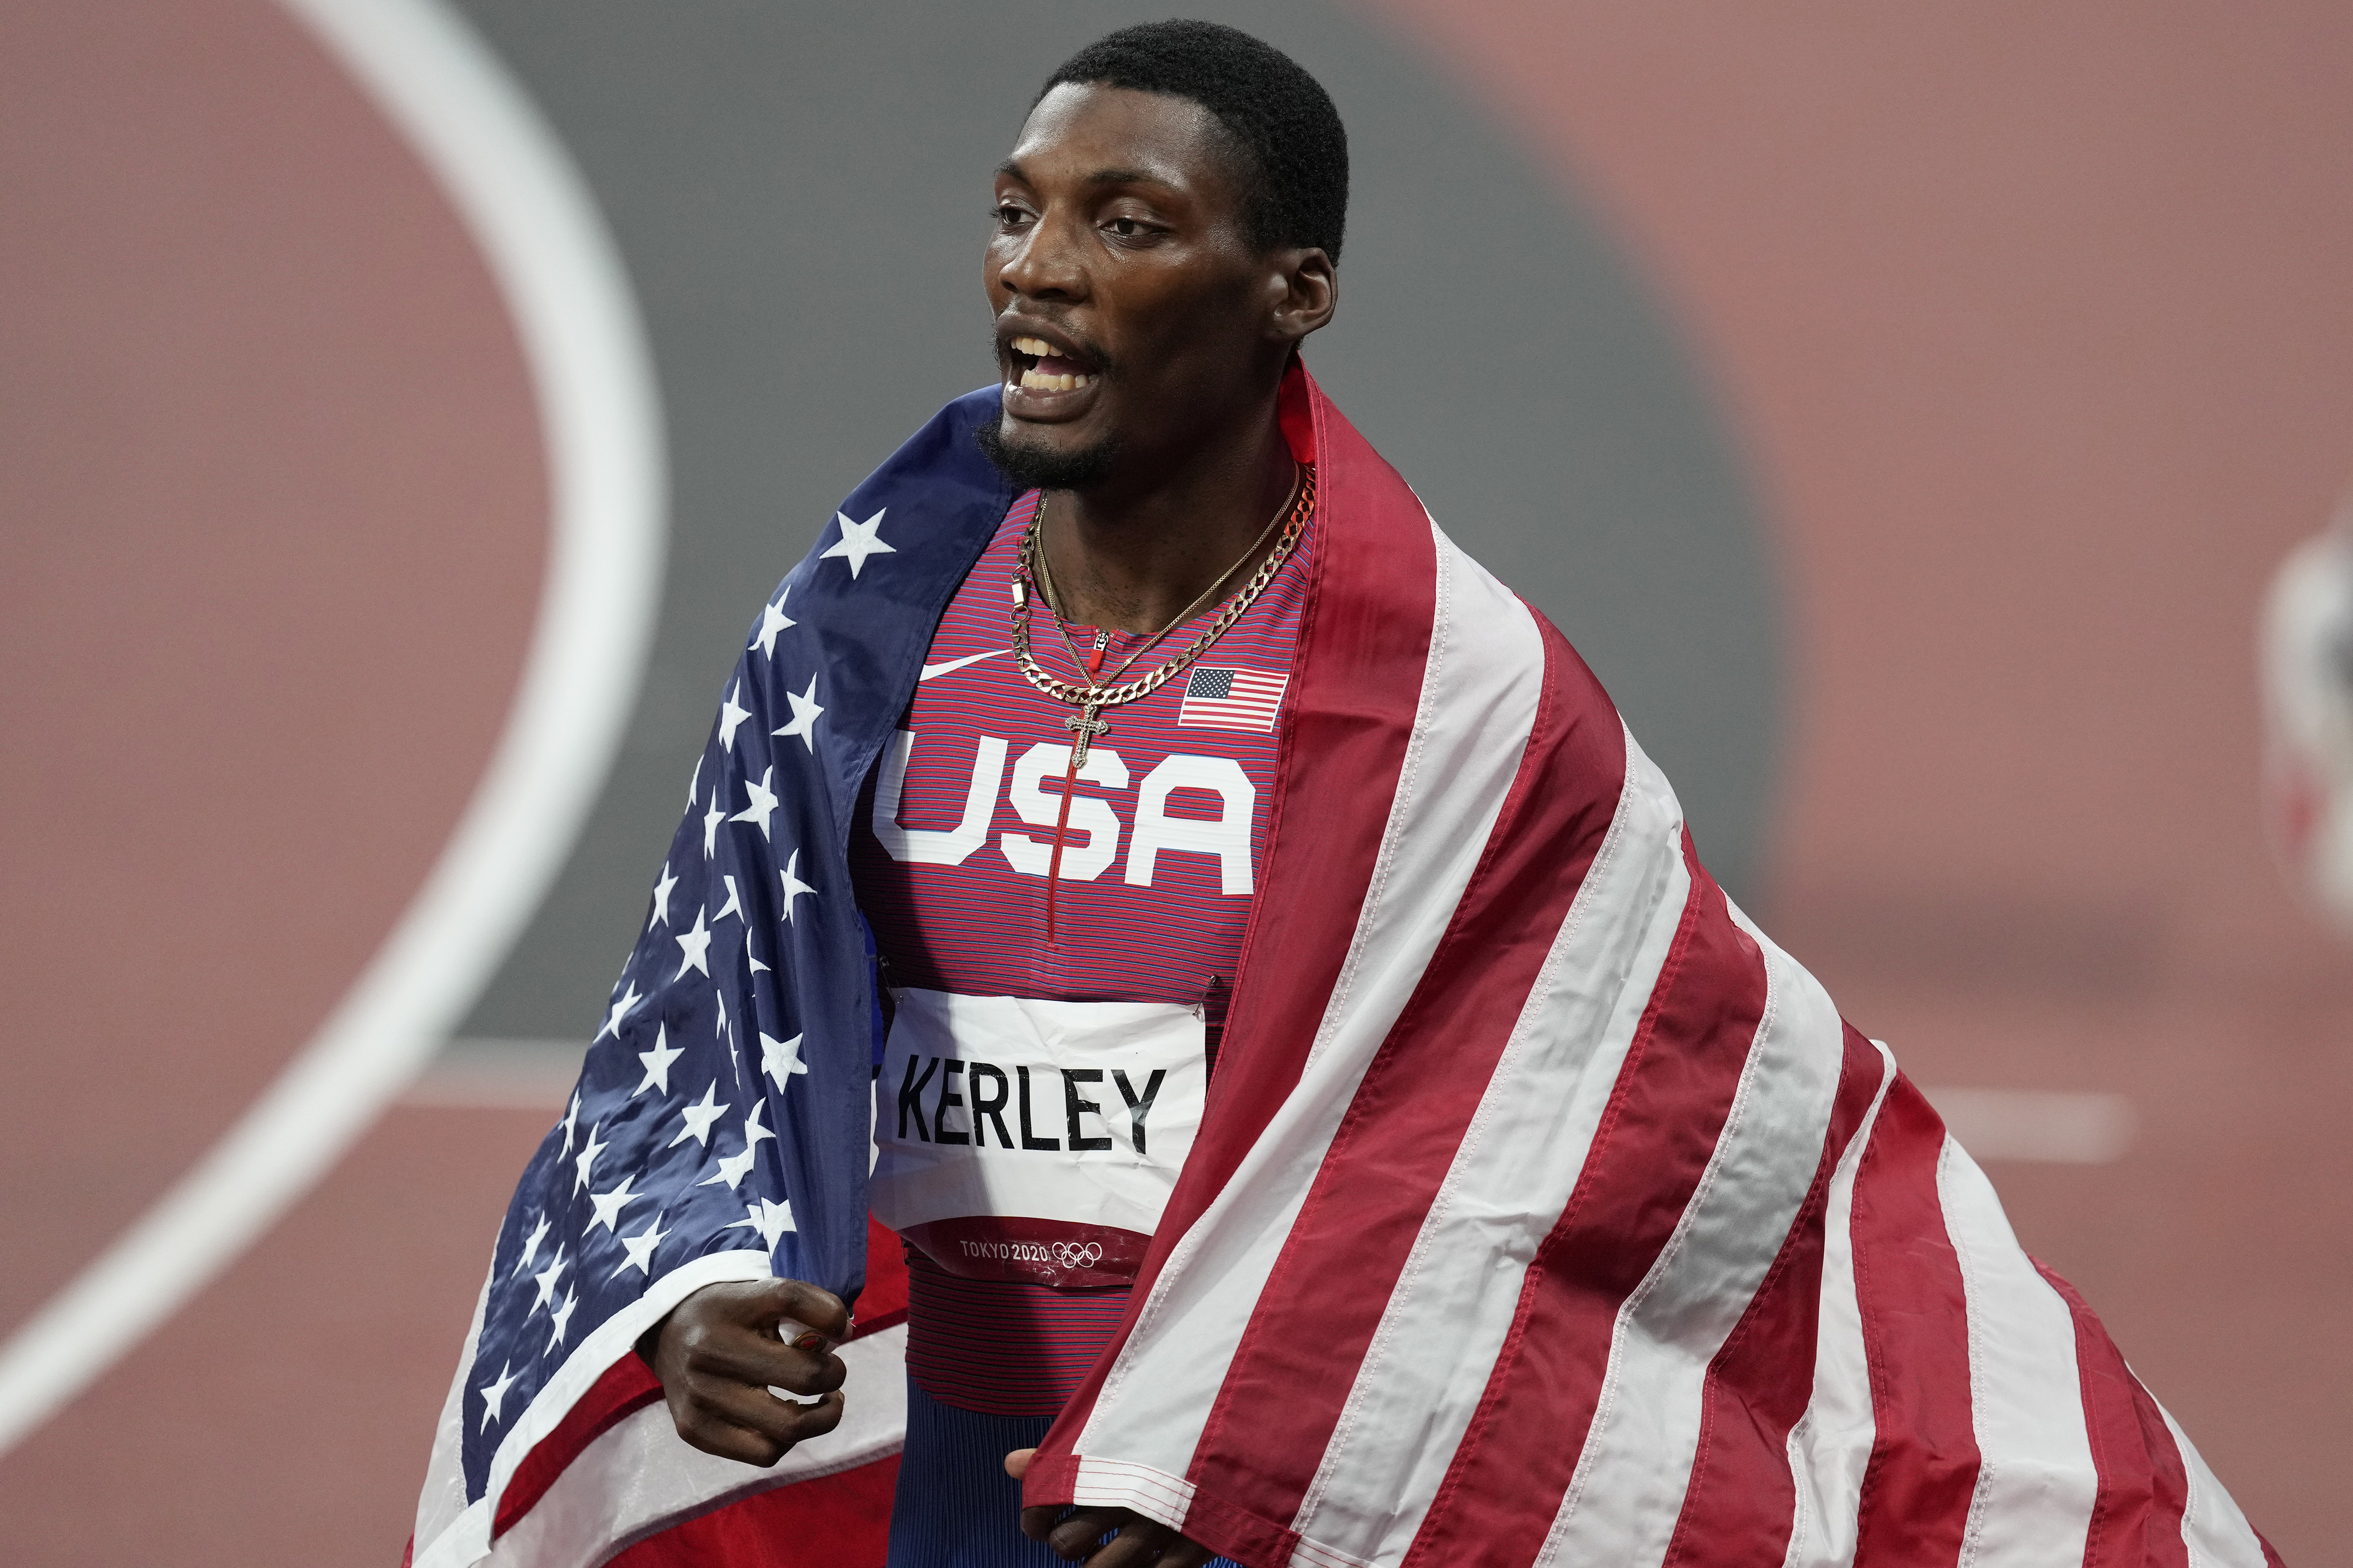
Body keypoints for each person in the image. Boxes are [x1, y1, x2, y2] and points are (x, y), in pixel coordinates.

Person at [411, 21, 2279, 1568]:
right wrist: (699, 1274)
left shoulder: (1448, 700)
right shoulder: (866, 627)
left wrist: (1235, 1419)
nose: (1037, 267)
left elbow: (1548, 1120)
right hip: (966, 1476)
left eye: (1126, 223)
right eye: (1016, 210)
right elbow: (720, 1018)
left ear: (1292, 291)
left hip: (1258, 1497)